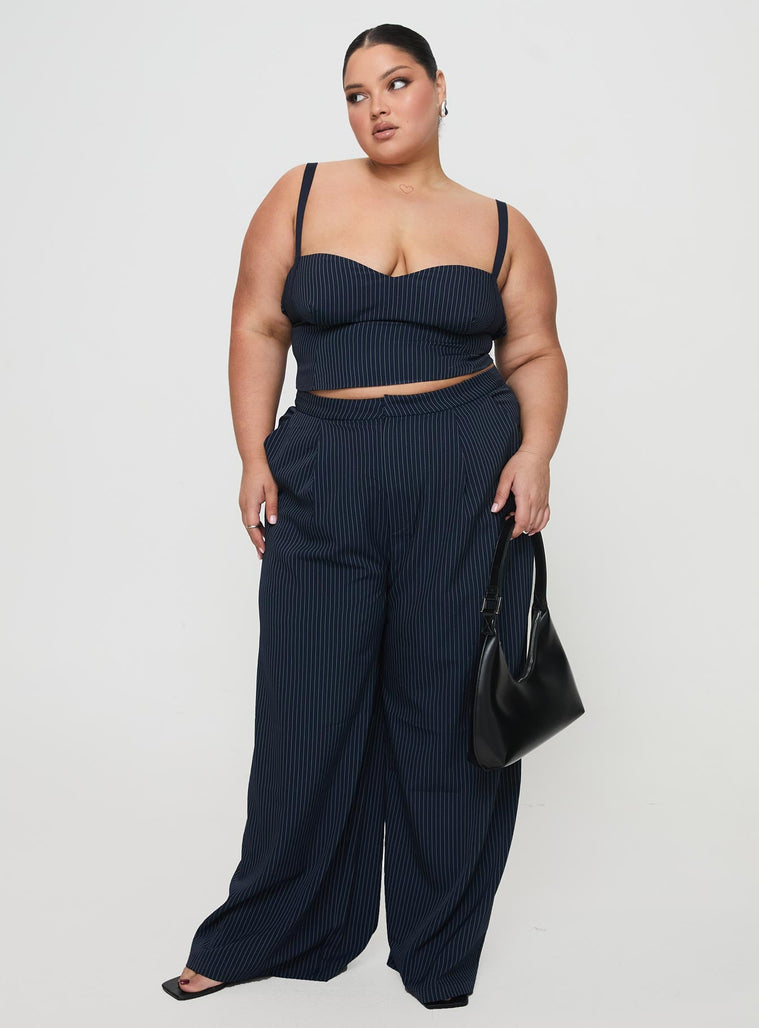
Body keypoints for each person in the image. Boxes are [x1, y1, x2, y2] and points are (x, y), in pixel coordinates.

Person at [162, 22, 568, 1010]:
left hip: (461, 479)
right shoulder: (299, 193)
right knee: (304, 707)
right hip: (324, 472)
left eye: (394, 83)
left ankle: (436, 948)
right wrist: (252, 452)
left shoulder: (501, 225)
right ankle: (269, 929)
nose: (375, 107)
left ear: (438, 86)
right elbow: (258, 321)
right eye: (355, 93)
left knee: (443, 712)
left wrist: (535, 453)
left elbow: (533, 351)